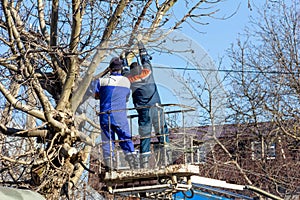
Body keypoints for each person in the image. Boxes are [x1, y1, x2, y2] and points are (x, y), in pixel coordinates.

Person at [125, 42, 170, 168]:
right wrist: (141, 47)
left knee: (145, 136)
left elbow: (124, 72)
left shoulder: (130, 80)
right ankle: (166, 158)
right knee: (162, 132)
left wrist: (124, 59)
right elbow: (145, 58)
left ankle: (144, 163)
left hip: (144, 111)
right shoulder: (148, 72)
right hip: (156, 108)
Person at [94, 57, 138, 170]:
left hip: (105, 115)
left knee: (107, 140)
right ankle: (133, 163)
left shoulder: (102, 81)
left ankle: (110, 164)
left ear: (110, 69)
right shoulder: (126, 82)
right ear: (121, 69)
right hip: (119, 115)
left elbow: (95, 94)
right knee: (125, 138)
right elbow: (126, 98)